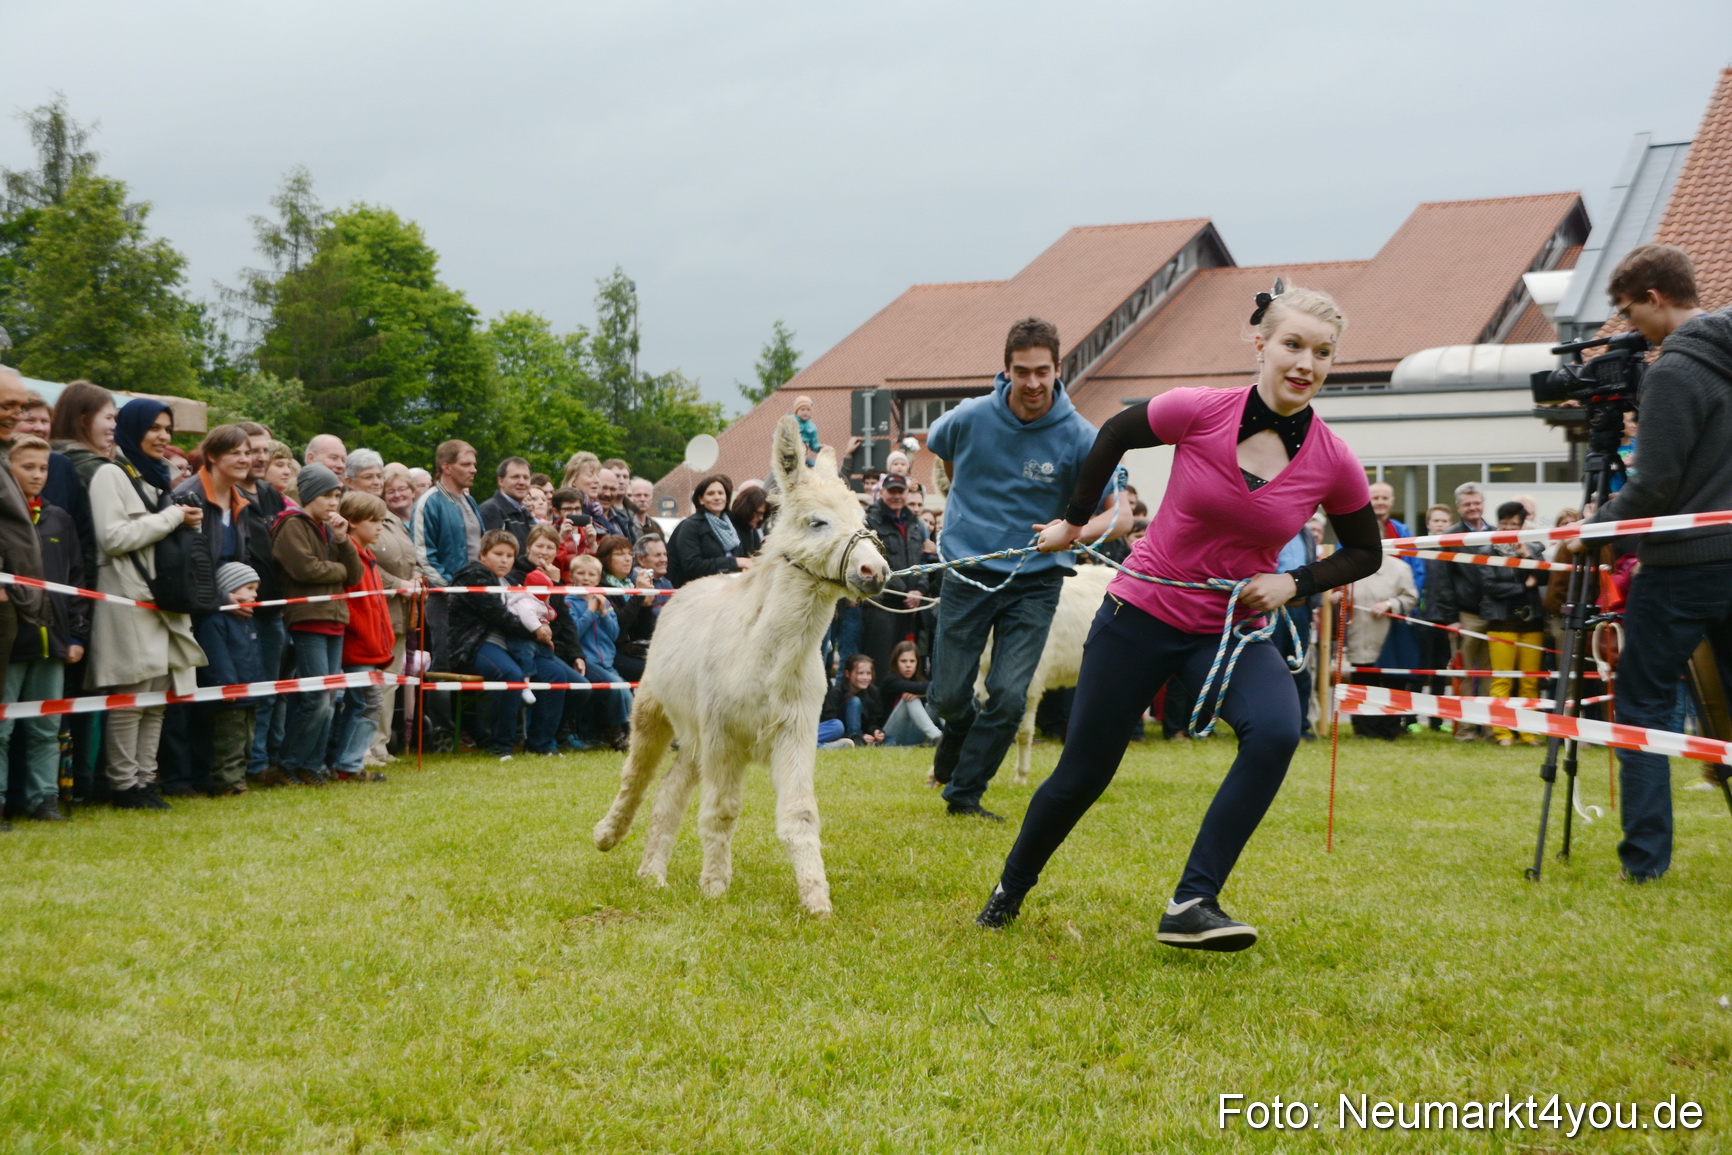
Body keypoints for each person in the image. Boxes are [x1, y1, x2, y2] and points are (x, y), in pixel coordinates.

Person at [975, 286, 1380, 951]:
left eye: (1323, 352)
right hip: (1139, 614)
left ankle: (1194, 900)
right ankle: (1009, 889)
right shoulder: (1200, 410)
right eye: (1293, 345)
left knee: (1277, 730)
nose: (1307, 363)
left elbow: (1367, 551)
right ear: (1261, 344)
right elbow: (1113, 434)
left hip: (1228, 629)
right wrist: (1076, 522)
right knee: (1084, 772)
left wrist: (1293, 580)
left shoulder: (1332, 459)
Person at [925, 317, 1127, 821]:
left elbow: (1120, 513)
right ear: (1007, 370)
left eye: (1043, 371)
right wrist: (967, 509)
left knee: (1010, 695)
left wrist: (1072, 531)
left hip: (1035, 583)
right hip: (969, 571)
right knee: (949, 696)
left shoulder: (1081, 436)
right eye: (1022, 371)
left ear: (1059, 368)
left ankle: (964, 794)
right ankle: (958, 731)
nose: (1033, 383)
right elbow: (945, 454)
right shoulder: (969, 417)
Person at [1580, 244, 1732, 882]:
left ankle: (1644, 861)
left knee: (1641, 706)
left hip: (1682, 567)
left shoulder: (1675, 370)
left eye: (1627, 311)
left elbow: (1654, 486)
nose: (1628, 329)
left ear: (1655, 297)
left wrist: (1593, 529)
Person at [88, 398, 207, 810]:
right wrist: (174, 517)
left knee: (157, 695)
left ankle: (144, 780)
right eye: (154, 428)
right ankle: (123, 785)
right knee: (132, 694)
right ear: (132, 428)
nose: (163, 437)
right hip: (127, 598)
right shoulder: (110, 475)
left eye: (168, 430)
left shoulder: (156, 478)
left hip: (159, 600)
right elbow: (113, 538)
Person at [0, 435, 86, 823]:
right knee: (2, 729)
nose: (37, 475)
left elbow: (76, 583)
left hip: (53, 641)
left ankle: (43, 798)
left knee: (46, 727)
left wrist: (76, 635)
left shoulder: (59, 519)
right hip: (11, 640)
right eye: (27, 467)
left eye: (43, 468)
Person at [269, 463, 362, 786]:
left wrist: (343, 541)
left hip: (335, 618)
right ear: (309, 495)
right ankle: (289, 762)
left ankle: (313, 764)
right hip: (308, 619)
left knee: (330, 698)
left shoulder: (327, 529)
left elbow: (356, 575)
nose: (334, 502)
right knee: (316, 698)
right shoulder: (292, 525)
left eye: (337, 495)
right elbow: (306, 570)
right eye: (326, 495)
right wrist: (337, 568)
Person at [448, 530, 578, 759]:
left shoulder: (511, 581)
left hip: (516, 645)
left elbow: (540, 612)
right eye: (498, 554)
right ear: (483, 554)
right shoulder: (474, 575)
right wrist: (537, 630)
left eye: (509, 555)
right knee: (510, 675)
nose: (504, 560)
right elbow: (499, 615)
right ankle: (501, 746)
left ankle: (542, 744)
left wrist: (542, 626)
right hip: (478, 645)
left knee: (557, 676)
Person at [412, 440, 483, 749]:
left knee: (472, 663)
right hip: (443, 602)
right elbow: (423, 555)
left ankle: (468, 730)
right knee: (444, 664)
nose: (474, 469)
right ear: (446, 466)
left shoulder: (470, 501)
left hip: (474, 601)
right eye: (467, 463)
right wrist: (451, 590)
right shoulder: (429, 501)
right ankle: (440, 731)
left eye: (474, 463)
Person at [329, 491, 396, 782]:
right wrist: (365, 635)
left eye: (381, 520)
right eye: (373, 520)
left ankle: (347, 762)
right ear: (352, 522)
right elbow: (353, 606)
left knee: (364, 702)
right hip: (357, 646)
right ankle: (348, 764)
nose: (379, 526)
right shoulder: (351, 557)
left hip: (369, 645)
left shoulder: (368, 557)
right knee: (366, 702)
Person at [189, 563, 267, 797]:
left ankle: (239, 779)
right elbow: (217, 657)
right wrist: (226, 686)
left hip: (249, 695)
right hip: (230, 698)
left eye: (256, 589)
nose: (254, 594)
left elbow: (254, 657)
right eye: (249, 588)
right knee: (229, 742)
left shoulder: (248, 621)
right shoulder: (215, 622)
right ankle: (228, 784)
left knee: (246, 741)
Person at [1477, 501, 1545, 746]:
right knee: (1502, 679)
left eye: (1513, 523)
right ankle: (1503, 732)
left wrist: (1526, 556)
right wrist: (1522, 587)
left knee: (1530, 681)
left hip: (1532, 623)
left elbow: (1546, 577)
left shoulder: (1533, 548)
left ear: (1522, 525)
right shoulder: (1486, 551)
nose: (1507, 527)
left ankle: (1528, 732)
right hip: (1501, 622)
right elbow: (1489, 586)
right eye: (1504, 522)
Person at [1432, 481, 1495, 740]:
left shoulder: (1496, 532)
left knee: (1493, 676)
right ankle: (1467, 730)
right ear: (1459, 507)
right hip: (1465, 616)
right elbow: (1442, 581)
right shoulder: (1450, 537)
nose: (1473, 508)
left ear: (1483, 504)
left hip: (1495, 615)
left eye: (1477, 503)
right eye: (1467, 504)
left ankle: (1492, 729)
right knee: (1466, 675)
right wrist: (1451, 619)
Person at [1337, 554, 1419, 740]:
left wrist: (1389, 604)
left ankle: (1390, 728)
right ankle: (1363, 729)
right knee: (1362, 681)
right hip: (1359, 635)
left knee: (1392, 683)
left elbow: (1411, 597)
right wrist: (1338, 596)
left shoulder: (1400, 568)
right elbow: (1342, 591)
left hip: (1390, 638)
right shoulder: (1351, 566)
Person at [859, 472, 930, 680]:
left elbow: (923, 561)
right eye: (892, 491)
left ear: (907, 494)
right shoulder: (869, 522)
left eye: (901, 491)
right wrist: (906, 592)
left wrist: (920, 591)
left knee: (907, 671)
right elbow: (875, 563)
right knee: (881, 668)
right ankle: (879, 712)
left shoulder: (916, 524)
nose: (897, 496)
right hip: (882, 607)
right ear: (882, 492)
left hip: (911, 609)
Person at [566, 552, 632, 750]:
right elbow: (574, 633)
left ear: (598, 578)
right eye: (581, 573)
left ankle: (625, 730)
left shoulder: (606, 602)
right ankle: (616, 731)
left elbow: (614, 634)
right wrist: (590, 611)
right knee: (616, 687)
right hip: (587, 660)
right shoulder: (569, 602)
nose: (586, 578)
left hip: (607, 660)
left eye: (591, 575)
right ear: (572, 576)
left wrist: (603, 612)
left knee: (625, 690)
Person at [667, 474, 752, 587]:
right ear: (701, 499)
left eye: (721, 493)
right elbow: (692, 566)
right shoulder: (690, 526)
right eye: (711, 494)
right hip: (697, 593)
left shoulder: (732, 525)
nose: (717, 497)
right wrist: (735, 562)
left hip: (729, 589)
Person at [615, 534, 670, 682]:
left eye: (665, 554)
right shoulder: (634, 582)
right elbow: (637, 629)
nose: (664, 559)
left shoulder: (666, 582)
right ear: (640, 559)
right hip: (642, 646)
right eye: (657, 555)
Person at [880, 640, 942, 747]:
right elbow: (915, 688)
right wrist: (922, 694)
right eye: (903, 661)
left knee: (939, 697)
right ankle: (938, 736)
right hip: (890, 735)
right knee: (910, 698)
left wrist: (923, 694)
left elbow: (938, 688)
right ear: (896, 662)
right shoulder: (890, 680)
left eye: (912, 661)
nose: (908, 665)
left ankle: (957, 735)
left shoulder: (919, 680)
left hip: (914, 734)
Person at [819, 654, 885, 749]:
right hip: (837, 731)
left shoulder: (873, 692)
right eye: (860, 673)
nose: (865, 677)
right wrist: (854, 736)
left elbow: (873, 721)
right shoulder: (837, 692)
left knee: (890, 739)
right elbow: (829, 720)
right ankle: (854, 739)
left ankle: (825, 747)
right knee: (853, 704)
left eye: (868, 673)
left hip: (858, 735)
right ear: (848, 674)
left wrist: (875, 731)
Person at [479, 456, 535, 552]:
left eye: (526, 477)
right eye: (515, 477)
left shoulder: (525, 512)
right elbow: (496, 556)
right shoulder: (491, 510)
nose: (521, 482)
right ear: (501, 481)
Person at [793, 395, 821, 461]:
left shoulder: (812, 428)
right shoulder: (790, 422)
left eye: (808, 410)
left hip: (802, 456)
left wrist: (820, 448)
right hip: (789, 454)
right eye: (802, 409)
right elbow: (778, 436)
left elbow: (814, 444)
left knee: (814, 465)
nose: (806, 412)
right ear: (796, 411)